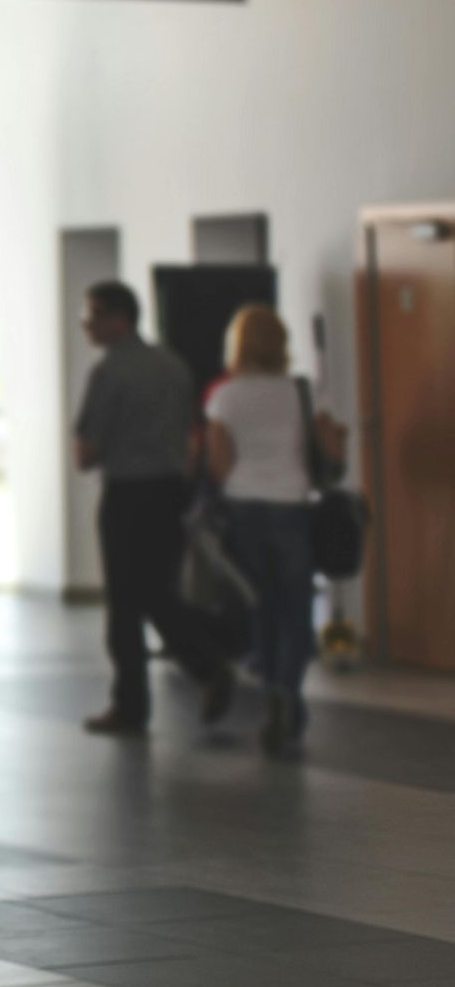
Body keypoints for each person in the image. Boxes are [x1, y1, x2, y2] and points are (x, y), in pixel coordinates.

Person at [74, 280, 235, 737]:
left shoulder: (109, 373)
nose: (86, 326)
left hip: (127, 495)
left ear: (117, 318)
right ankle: (207, 663)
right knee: (158, 592)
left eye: (92, 316)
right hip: (169, 493)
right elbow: (191, 434)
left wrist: (95, 450)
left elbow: (87, 450)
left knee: (126, 604)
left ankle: (133, 705)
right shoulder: (174, 366)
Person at [205, 304, 347, 754]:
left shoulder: (225, 397)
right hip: (292, 507)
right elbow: (331, 451)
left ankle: (272, 696)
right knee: (295, 609)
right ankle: (288, 693)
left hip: (245, 510)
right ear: (283, 343)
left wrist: (242, 483)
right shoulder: (301, 392)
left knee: (260, 609)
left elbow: (219, 464)